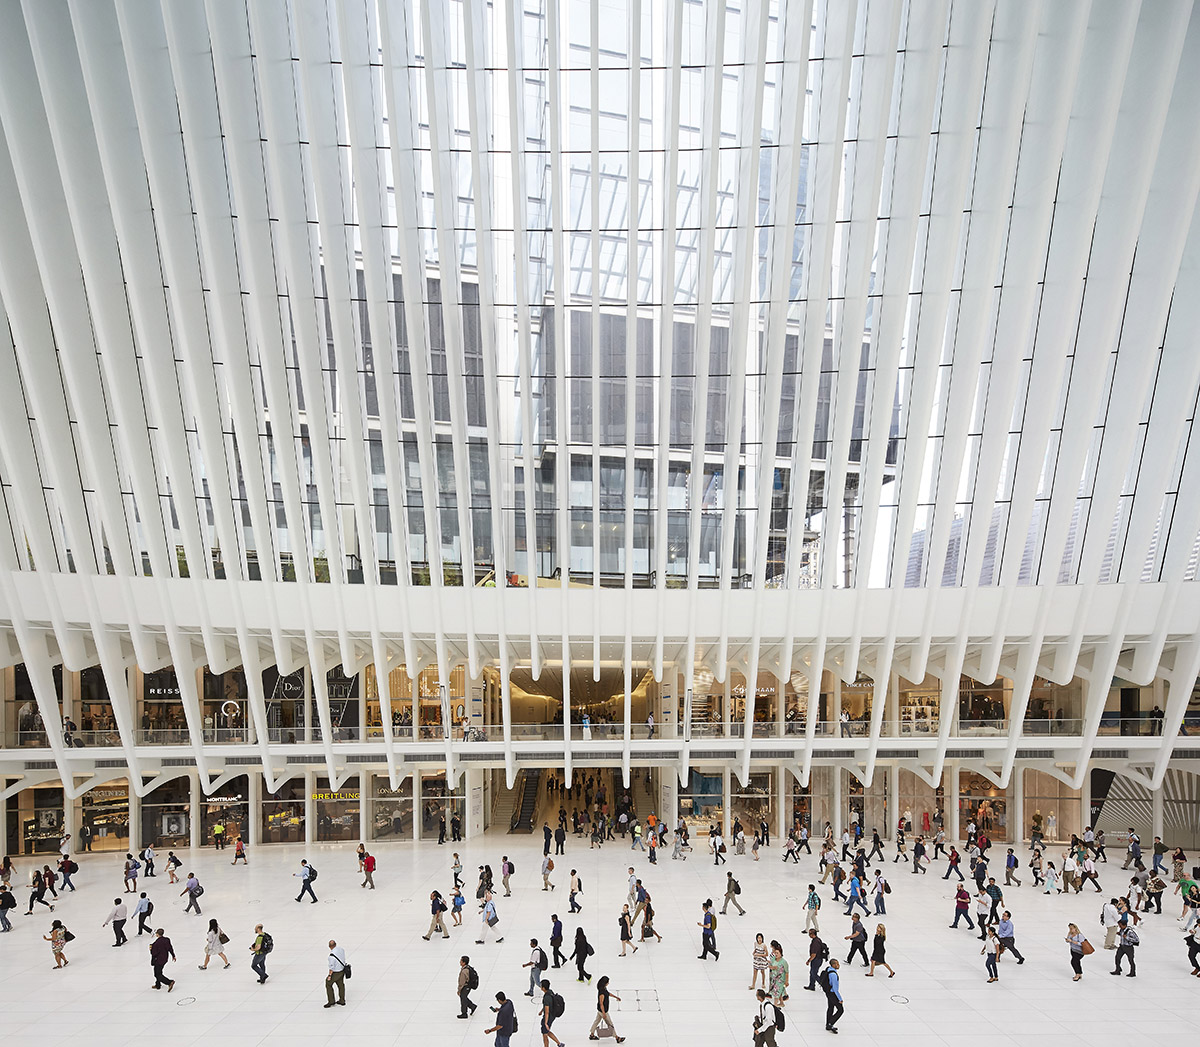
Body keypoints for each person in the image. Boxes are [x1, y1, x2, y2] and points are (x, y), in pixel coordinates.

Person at [589, 974, 625, 1042]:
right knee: (610, 1024)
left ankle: (591, 1034)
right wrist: (604, 1013)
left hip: (600, 1011)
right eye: (608, 982)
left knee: (596, 1021)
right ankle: (617, 1038)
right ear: (605, 983)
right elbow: (601, 1003)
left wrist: (616, 997)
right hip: (603, 1011)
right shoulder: (601, 992)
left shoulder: (603, 988)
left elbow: (608, 993)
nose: (608, 983)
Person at [821, 958, 843, 1033]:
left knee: (830, 1007)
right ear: (833, 965)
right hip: (832, 993)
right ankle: (830, 1023)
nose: (838, 965)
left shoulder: (828, 970)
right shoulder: (833, 974)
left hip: (828, 992)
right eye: (837, 964)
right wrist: (840, 999)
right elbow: (835, 988)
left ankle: (828, 1024)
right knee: (840, 1010)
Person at [325, 939, 348, 1007]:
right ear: (335, 944)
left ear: (329, 946)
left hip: (336, 972)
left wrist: (329, 975)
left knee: (328, 984)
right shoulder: (341, 949)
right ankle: (342, 1000)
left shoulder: (331, 956)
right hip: (342, 970)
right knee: (341, 985)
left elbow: (331, 967)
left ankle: (331, 1001)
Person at [767, 939, 789, 1005]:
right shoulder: (774, 959)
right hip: (774, 979)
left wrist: (786, 981)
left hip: (780, 980)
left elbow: (787, 972)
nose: (775, 954)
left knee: (776, 994)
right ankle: (781, 1003)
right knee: (779, 992)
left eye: (777, 953)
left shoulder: (784, 962)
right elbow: (772, 964)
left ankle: (775, 1006)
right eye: (775, 953)